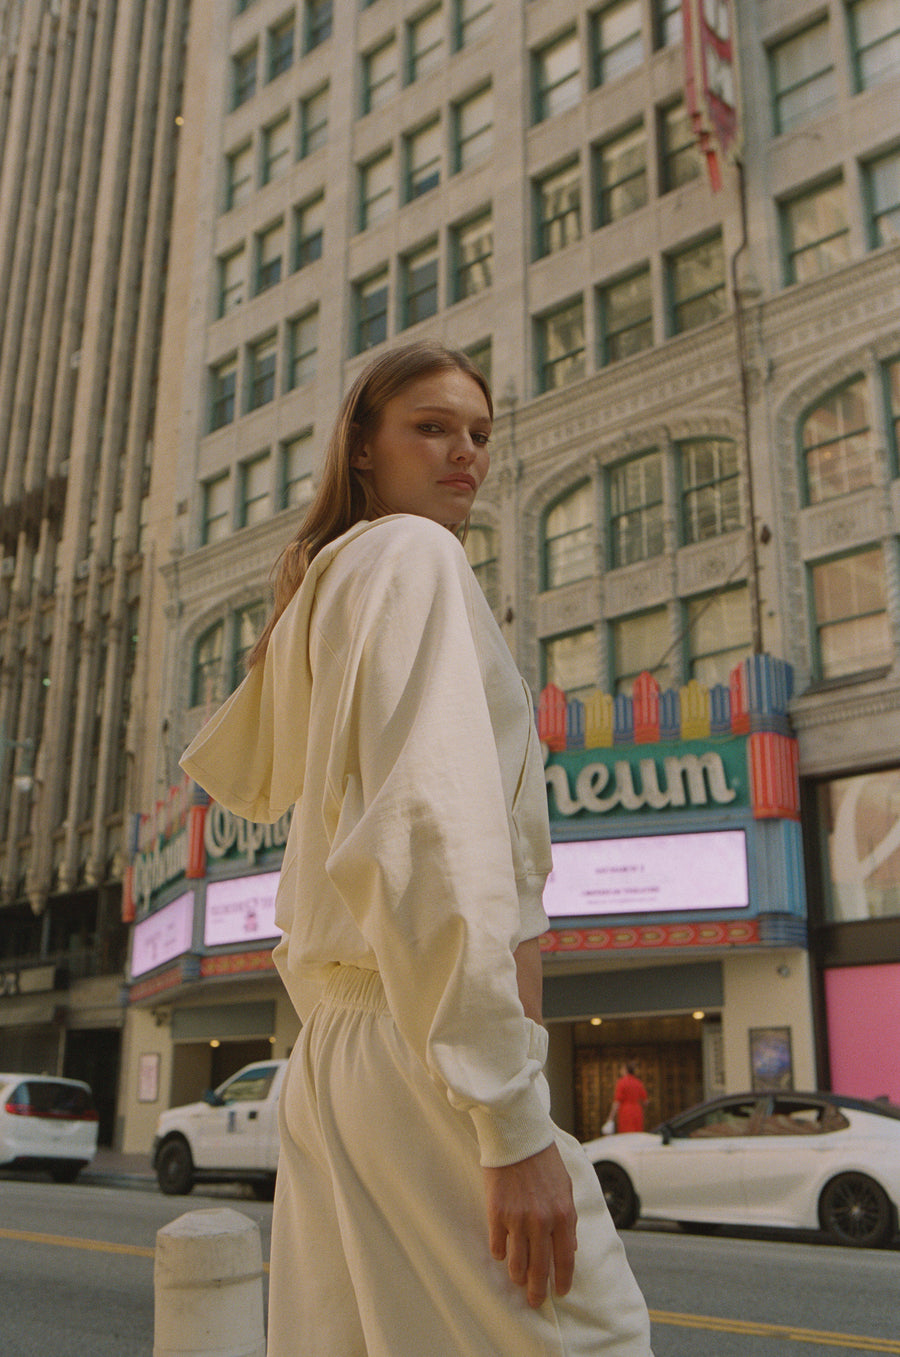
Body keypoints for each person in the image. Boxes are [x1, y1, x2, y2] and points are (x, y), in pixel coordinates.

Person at [181, 340, 654, 1356]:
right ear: (361, 446)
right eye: (431, 428)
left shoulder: (343, 579)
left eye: (479, 432)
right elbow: (428, 834)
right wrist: (510, 1120)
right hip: (422, 1055)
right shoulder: (413, 556)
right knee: (588, 1338)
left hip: (340, 1055)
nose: (465, 452)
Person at [607, 1062, 649, 1134]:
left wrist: (610, 1117)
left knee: (626, 1135)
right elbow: (646, 1102)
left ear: (625, 1070)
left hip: (625, 1112)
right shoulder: (638, 1082)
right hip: (637, 1111)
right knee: (637, 1134)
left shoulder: (621, 1082)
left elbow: (617, 1102)